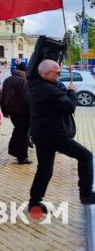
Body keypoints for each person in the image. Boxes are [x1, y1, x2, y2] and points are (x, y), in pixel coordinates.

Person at [28, 59, 95, 213]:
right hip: (54, 135)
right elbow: (69, 106)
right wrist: (72, 91)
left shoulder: (35, 84)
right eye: (56, 73)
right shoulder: (49, 90)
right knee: (85, 156)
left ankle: (35, 203)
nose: (59, 74)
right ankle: (86, 194)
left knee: (44, 170)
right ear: (45, 74)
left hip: (41, 134)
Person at [0, 62, 32, 164]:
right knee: (23, 133)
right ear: (24, 71)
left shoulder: (7, 80)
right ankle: (22, 157)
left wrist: (4, 111)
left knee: (18, 130)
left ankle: (14, 151)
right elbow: (27, 98)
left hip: (11, 111)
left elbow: (2, 97)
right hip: (22, 111)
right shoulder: (24, 81)